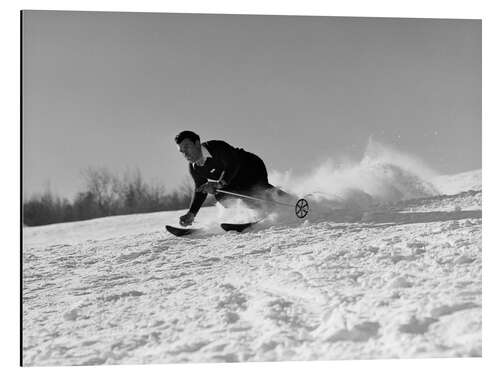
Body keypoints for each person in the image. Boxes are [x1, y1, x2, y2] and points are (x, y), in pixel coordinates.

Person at [174, 130, 281, 226]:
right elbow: (201, 190)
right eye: (182, 151)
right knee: (221, 195)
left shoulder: (217, 147)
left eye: (187, 147)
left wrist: (219, 184)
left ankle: (288, 200)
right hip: (233, 179)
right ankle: (263, 211)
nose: (185, 154)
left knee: (254, 189)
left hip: (250, 166)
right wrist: (191, 213)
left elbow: (233, 165)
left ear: (197, 143)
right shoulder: (195, 168)